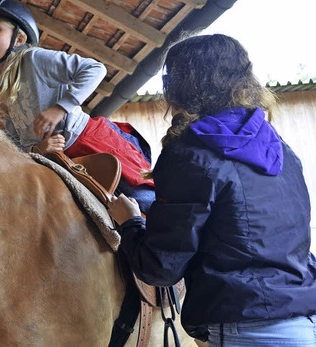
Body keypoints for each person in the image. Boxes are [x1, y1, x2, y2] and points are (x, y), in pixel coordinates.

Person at [107, 34, 316, 346]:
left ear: (179, 87)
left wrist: (129, 222)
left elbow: (161, 267)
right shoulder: (281, 151)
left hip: (244, 331)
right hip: (304, 322)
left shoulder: (191, 154)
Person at [0, 0, 155, 212]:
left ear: (19, 38)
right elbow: (15, 140)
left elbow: (94, 69)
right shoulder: (3, 90)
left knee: (146, 202)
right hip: (58, 161)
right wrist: (37, 149)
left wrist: (60, 108)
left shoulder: (34, 59)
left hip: (88, 141)